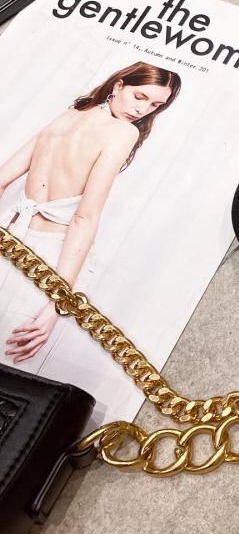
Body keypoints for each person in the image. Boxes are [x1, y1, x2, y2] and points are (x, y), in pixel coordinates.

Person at [0, 61, 181, 366]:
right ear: (119, 85)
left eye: (155, 105)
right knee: (15, 361)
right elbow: (84, 218)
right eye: (140, 96)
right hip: (50, 255)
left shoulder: (71, 114)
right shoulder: (123, 133)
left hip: (10, 237)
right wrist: (59, 302)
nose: (143, 110)